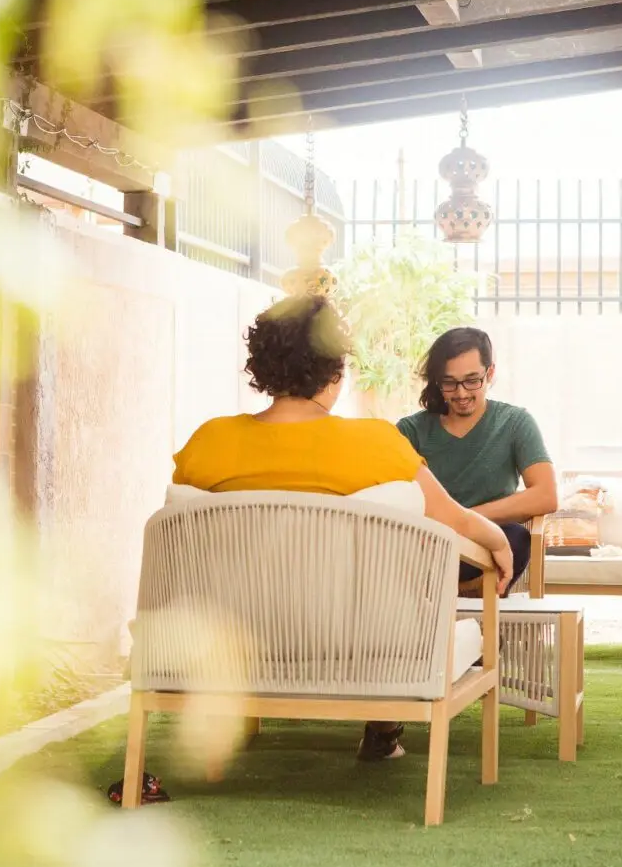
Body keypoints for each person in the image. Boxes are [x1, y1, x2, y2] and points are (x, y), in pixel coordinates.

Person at [171, 296, 512, 761]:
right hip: (364, 645)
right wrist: (496, 541)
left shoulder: (207, 443)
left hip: (237, 640)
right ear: (335, 368)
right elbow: (456, 520)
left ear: (263, 363)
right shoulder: (375, 443)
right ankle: (385, 724)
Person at [397, 327, 557, 595]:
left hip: (488, 546)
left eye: (472, 381)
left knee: (517, 538)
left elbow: (546, 495)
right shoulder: (411, 430)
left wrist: (466, 520)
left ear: (490, 373)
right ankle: (466, 597)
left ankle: (452, 597)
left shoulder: (515, 423)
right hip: (426, 549)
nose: (461, 393)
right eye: (449, 383)